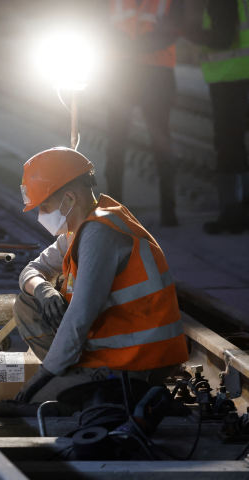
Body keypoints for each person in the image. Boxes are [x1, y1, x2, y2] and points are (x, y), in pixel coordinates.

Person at [13, 147, 188, 405]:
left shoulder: (100, 234)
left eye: (45, 206)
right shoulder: (82, 228)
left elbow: (79, 318)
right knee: (27, 302)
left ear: (69, 199)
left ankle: (89, 378)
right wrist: (42, 289)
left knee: (36, 403)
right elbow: (31, 270)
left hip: (137, 361)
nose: (42, 215)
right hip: (117, 351)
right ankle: (76, 372)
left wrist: (43, 375)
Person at [103, 0, 184, 226]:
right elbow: (99, 28)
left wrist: (132, 47)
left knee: (158, 144)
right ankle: (115, 212)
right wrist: (138, 46)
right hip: (127, 74)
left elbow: (174, 30)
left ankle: (168, 213)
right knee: (117, 144)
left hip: (149, 75)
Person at [183, 1, 249, 234]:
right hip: (238, 76)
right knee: (236, 146)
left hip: (231, 78)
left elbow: (223, 38)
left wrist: (186, 31)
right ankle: (240, 210)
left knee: (228, 146)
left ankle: (232, 214)